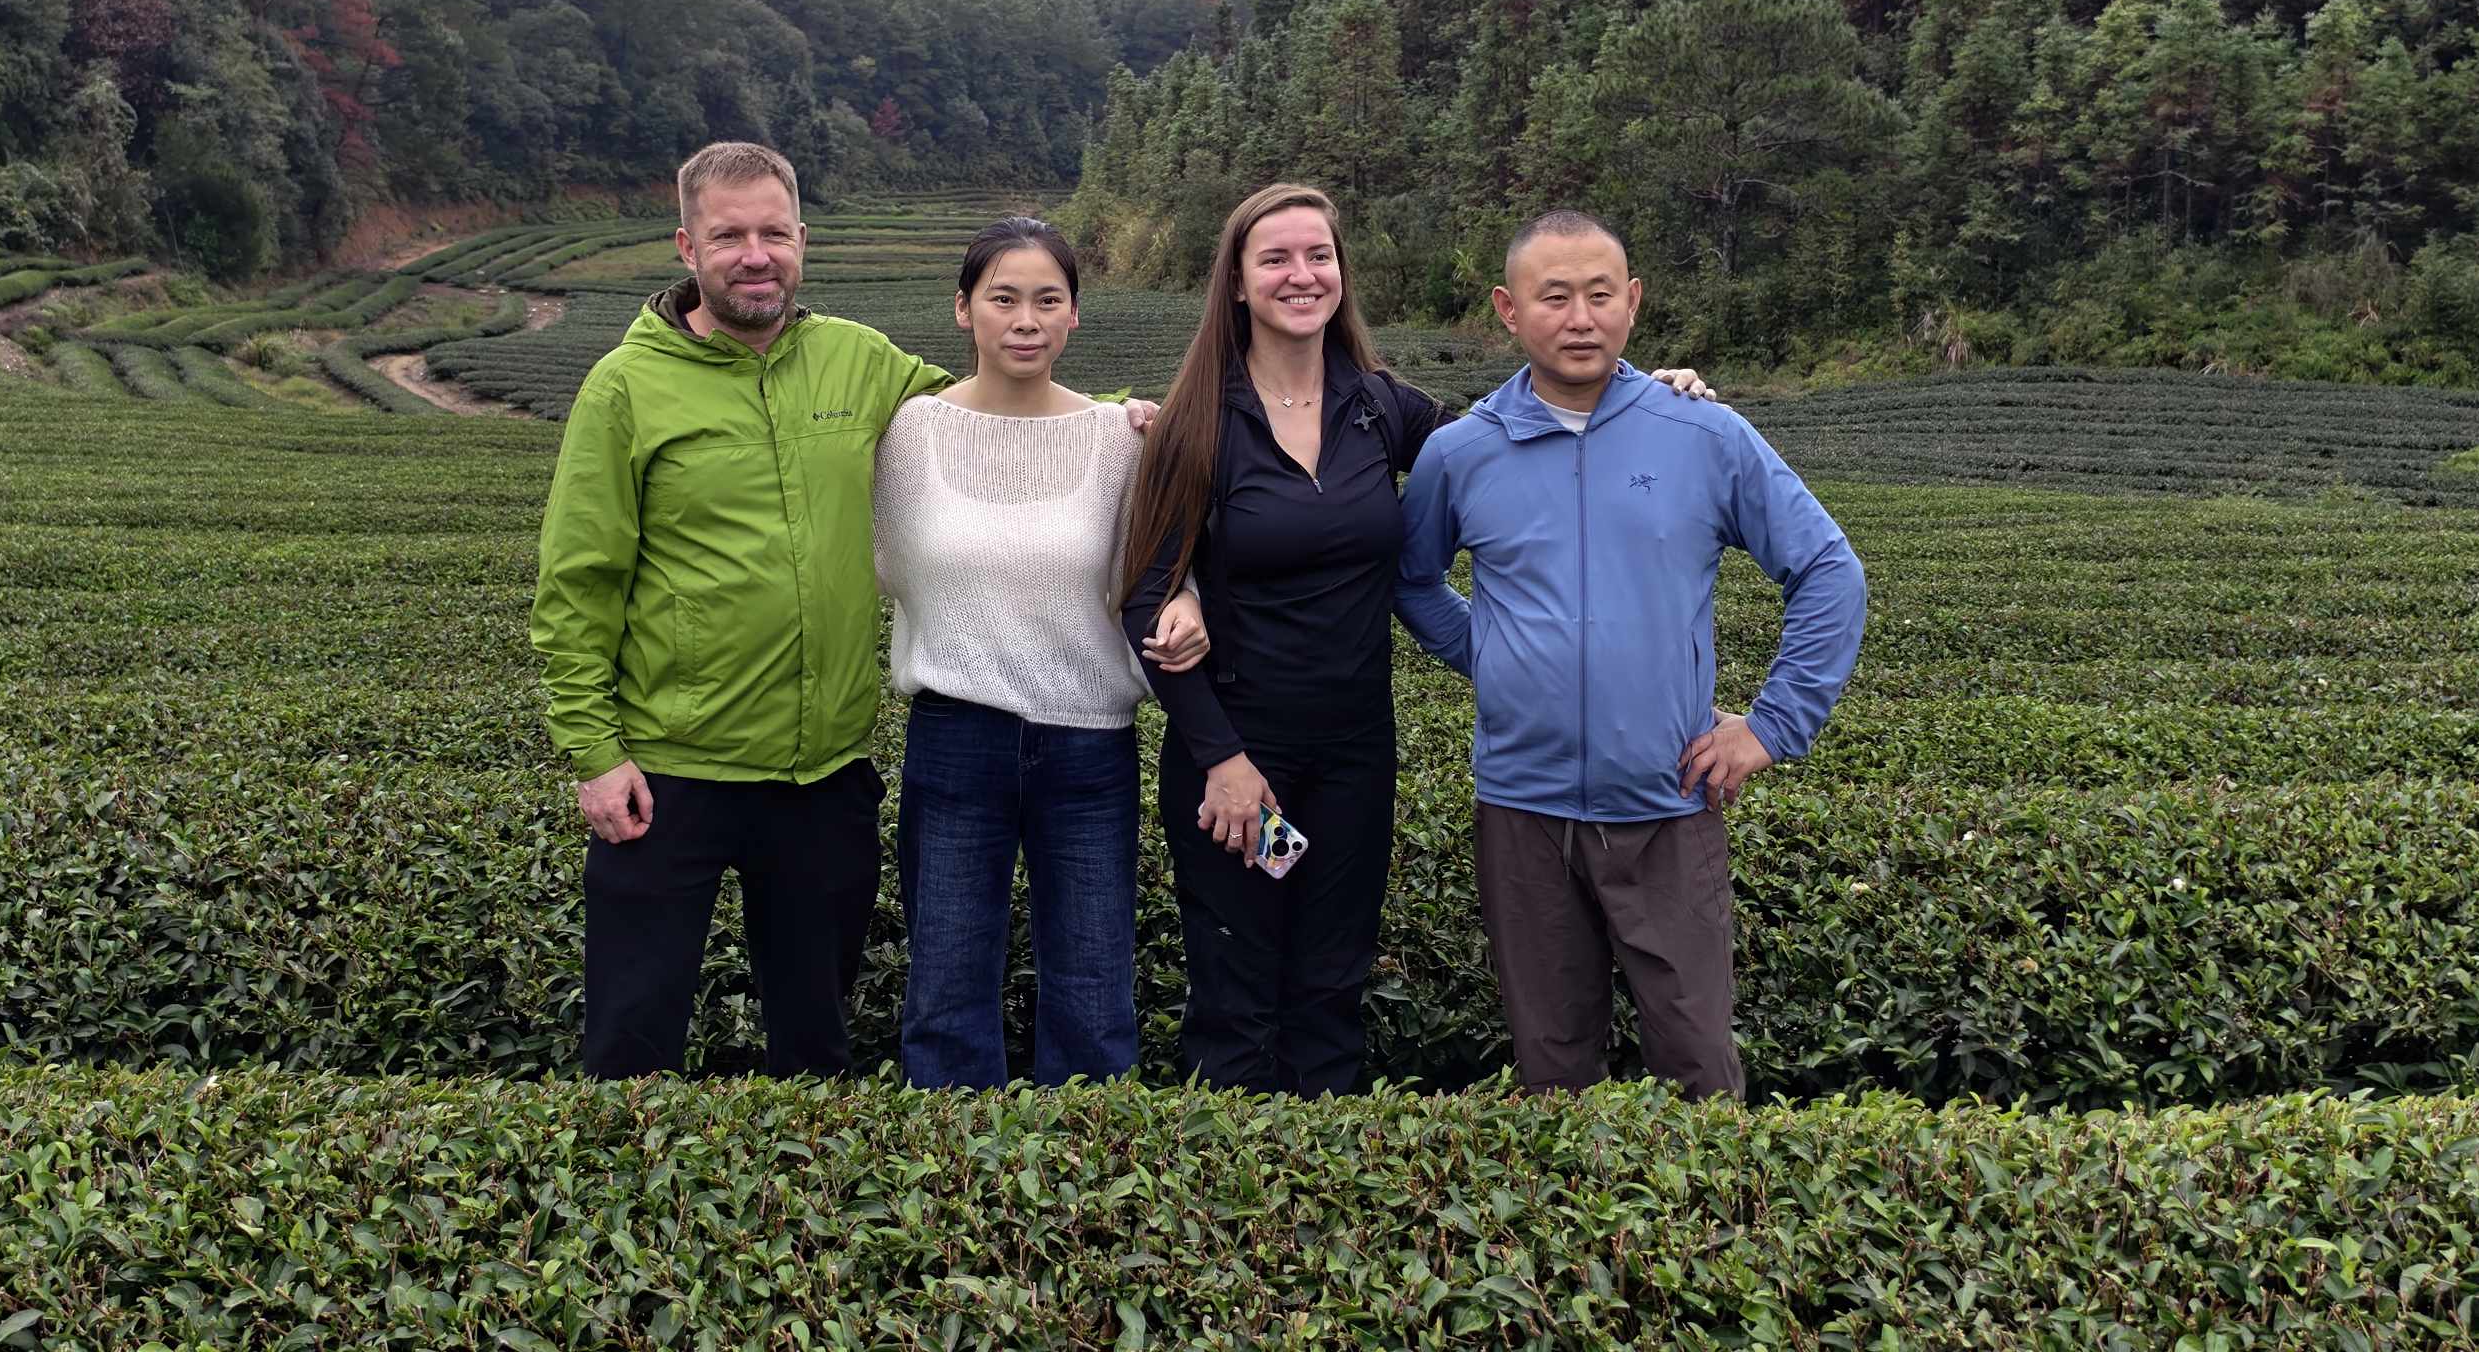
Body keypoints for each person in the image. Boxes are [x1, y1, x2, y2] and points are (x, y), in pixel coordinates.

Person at [1119, 182, 1717, 1095]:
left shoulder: (1380, 407)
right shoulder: (1197, 423)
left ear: (1341, 274)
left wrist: (1640, 394)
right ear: (1236, 282)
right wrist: (1222, 760)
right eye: (1275, 258)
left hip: (1354, 755)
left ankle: (1326, 1168)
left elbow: (1513, 438)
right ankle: (1231, 1174)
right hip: (1242, 761)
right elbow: (1144, 599)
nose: (1301, 275)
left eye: (1319, 255)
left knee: (1331, 980)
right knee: (1237, 984)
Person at [1396, 208, 1866, 1101]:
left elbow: (1828, 571)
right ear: (1508, 309)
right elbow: (1411, 580)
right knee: (1551, 1072)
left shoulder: (1706, 435)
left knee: (1698, 1066)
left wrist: (1773, 726)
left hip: (1668, 804)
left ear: (1634, 301)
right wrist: (1491, 654)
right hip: (1522, 810)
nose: (1581, 318)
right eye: (1555, 297)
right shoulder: (1460, 454)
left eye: (1601, 295)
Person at [527, 140, 951, 1080]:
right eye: (728, 237)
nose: (755, 256)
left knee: (817, 1046)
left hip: (823, 773)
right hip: (668, 772)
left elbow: (987, 418)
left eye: (773, 233)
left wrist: (1118, 419)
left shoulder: (858, 359)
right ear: (688, 247)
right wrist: (594, 753)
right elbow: (578, 584)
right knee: (633, 1045)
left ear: (803, 239)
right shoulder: (624, 387)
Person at [873, 215, 1206, 1088]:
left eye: (1048, 300)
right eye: (1004, 299)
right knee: (945, 990)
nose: (1025, 320)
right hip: (955, 737)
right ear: (963, 310)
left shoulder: (1118, 439)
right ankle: (953, 1166)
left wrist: (1189, 603)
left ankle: (1088, 1167)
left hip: (1089, 745)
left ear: (1075, 315)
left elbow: (1156, 569)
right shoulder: (910, 434)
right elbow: (884, 566)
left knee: (1094, 994)